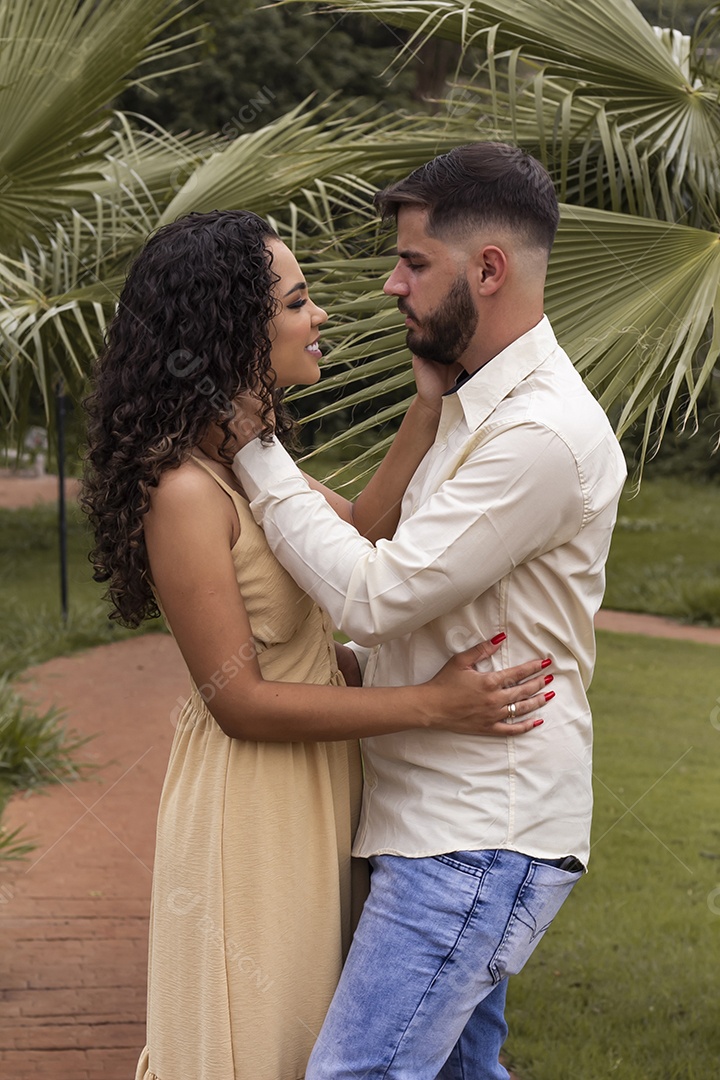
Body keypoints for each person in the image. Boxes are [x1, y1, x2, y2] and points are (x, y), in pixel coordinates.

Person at [80, 208, 554, 1080]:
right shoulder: (185, 488)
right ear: (235, 330)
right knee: (262, 1034)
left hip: (319, 776)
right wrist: (433, 705)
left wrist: (427, 405)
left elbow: (365, 539)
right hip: (255, 794)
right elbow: (239, 700)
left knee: (324, 1035)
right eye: (298, 302)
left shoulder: (252, 460)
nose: (320, 316)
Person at [225, 143, 629, 1078]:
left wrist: (253, 447)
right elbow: (378, 555)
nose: (388, 284)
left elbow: (374, 595)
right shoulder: (471, 403)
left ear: (487, 270)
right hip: (447, 829)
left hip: (476, 836)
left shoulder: (539, 435)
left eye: (413, 263)